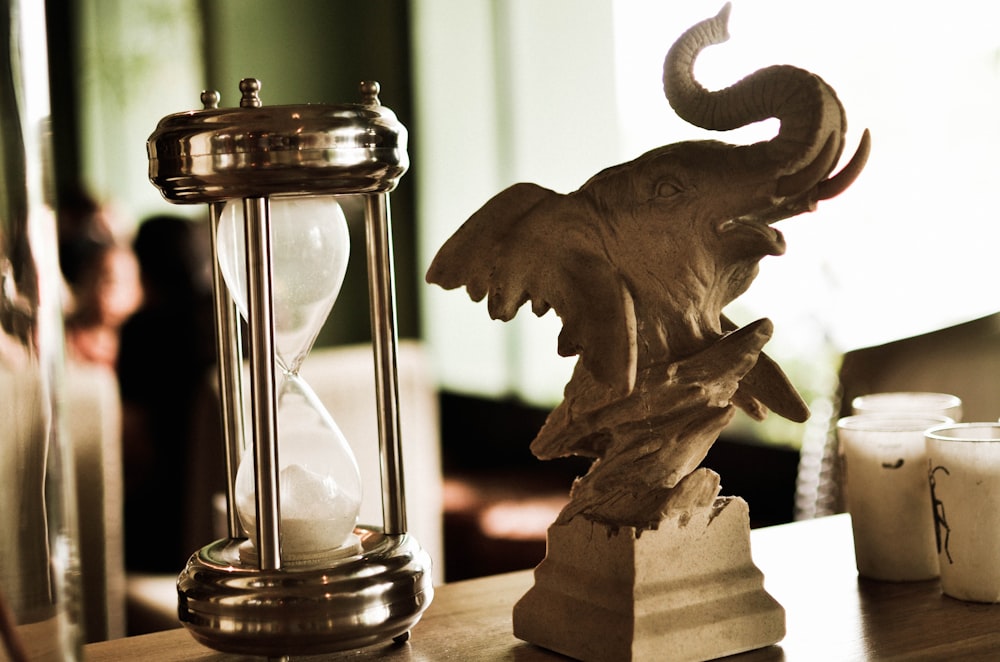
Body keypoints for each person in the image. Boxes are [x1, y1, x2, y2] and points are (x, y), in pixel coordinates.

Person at [116, 213, 221, 573]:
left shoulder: (141, 331)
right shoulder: (227, 317)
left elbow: (134, 441)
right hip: (234, 499)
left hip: (167, 518)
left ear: (143, 266)